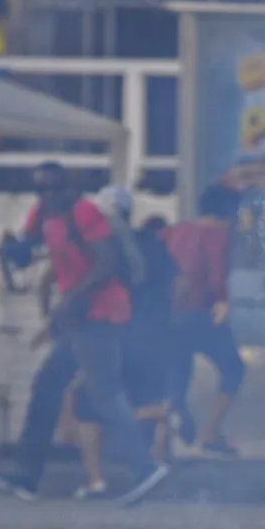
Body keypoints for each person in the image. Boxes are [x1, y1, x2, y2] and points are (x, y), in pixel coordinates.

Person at [0, 163, 171, 506]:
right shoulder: (44, 214)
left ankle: (144, 466)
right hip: (78, 318)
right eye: (41, 189)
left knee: (104, 392)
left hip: (100, 312)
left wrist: (72, 297)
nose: (49, 195)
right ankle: (27, 474)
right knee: (47, 385)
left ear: (69, 187)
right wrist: (14, 253)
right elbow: (31, 247)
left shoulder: (83, 213)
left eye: (55, 189)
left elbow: (107, 263)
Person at [69, 200, 176, 498]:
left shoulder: (104, 248)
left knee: (92, 403)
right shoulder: (152, 249)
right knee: (143, 400)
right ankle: (149, 468)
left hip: (117, 331)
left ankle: (101, 480)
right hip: (150, 336)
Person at [162, 184, 247, 455]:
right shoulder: (217, 234)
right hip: (201, 312)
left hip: (169, 314)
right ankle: (210, 434)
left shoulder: (174, 230)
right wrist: (222, 300)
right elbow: (216, 271)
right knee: (233, 367)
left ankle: (165, 438)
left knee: (177, 372)